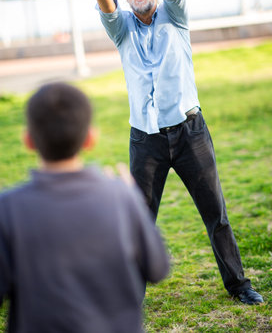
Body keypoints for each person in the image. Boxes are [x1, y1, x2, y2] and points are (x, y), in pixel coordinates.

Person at [74, 0, 263, 305]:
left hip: (190, 132)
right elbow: (107, 8)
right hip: (146, 140)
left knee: (217, 214)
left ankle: (239, 285)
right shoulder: (122, 30)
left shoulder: (175, 17)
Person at [0, 82, 169, 333]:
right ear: (91, 138)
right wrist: (132, 198)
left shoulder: (8, 209)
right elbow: (158, 268)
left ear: (28, 140)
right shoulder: (121, 197)